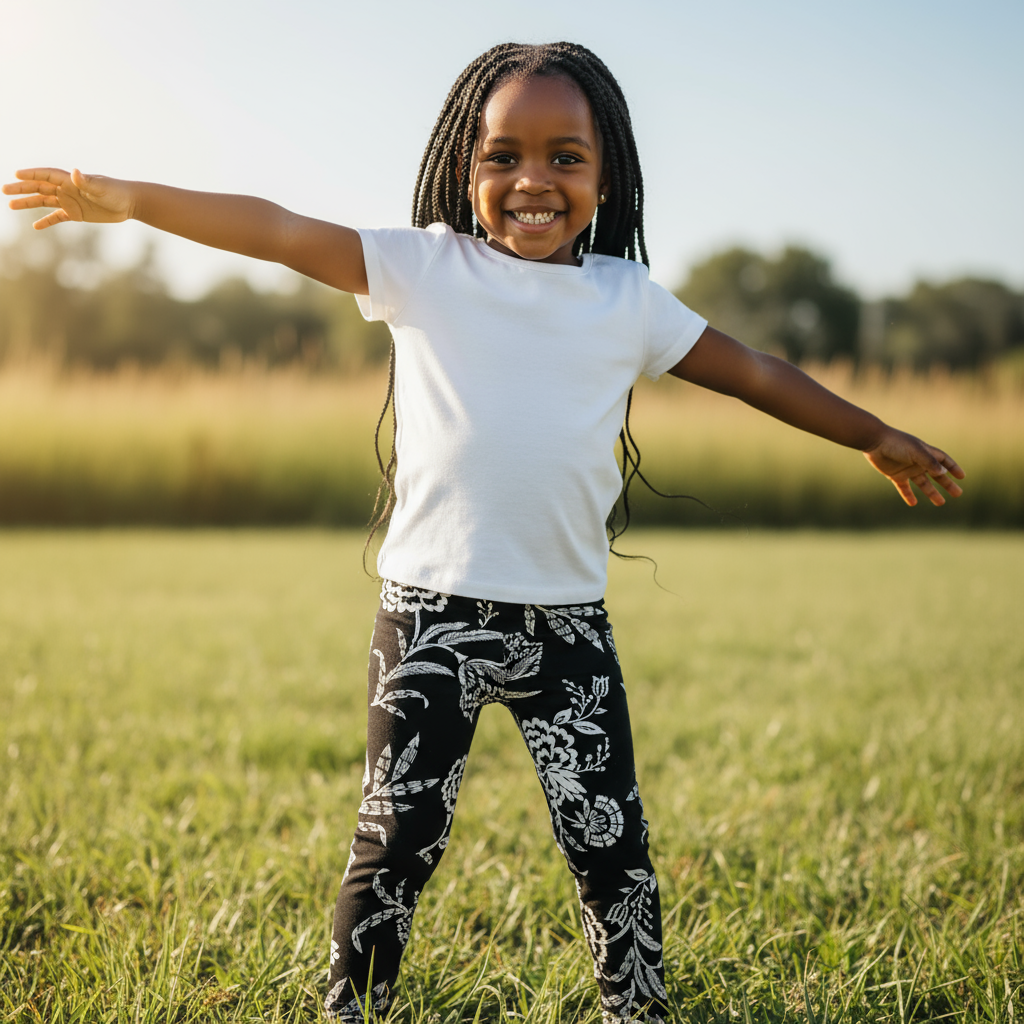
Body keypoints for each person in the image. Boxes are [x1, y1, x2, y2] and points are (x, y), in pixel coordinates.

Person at [4, 40, 964, 1024]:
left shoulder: (624, 301)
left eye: (565, 156)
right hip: (428, 620)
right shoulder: (423, 267)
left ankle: (637, 1009)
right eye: (502, 155)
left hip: (568, 630)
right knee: (397, 838)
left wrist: (873, 434)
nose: (532, 181)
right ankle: (353, 1009)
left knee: (610, 845)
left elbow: (756, 372)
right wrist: (124, 198)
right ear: (466, 166)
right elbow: (278, 229)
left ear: (607, 173)